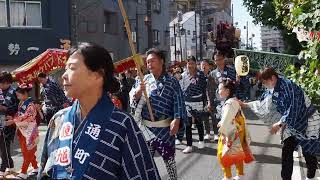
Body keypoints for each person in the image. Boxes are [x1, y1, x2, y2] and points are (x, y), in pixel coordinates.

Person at [38, 42, 160, 180]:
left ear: (98, 75)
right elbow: (45, 170)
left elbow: (139, 174)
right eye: (65, 69)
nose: (64, 76)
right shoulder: (58, 119)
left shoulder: (122, 124)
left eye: (72, 68)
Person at [239, 68, 320, 180]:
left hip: (307, 120)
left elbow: (293, 108)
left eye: (265, 82)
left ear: (272, 78)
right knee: (287, 151)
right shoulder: (272, 88)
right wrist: (245, 104)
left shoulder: (288, 86)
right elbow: (264, 104)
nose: (265, 86)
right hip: (289, 124)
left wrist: (280, 123)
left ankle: (311, 176)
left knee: (308, 151)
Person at [130, 48, 186, 180]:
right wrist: (138, 93)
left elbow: (178, 101)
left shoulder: (172, 81)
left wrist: (177, 119)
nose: (149, 64)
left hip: (165, 129)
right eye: (147, 62)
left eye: (152, 61)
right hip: (146, 128)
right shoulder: (142, 80)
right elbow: (133, 100)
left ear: (161, 61)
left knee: (169, 160)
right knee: (145, 162)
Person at [216, 80, 254, 180]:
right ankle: (240, 175)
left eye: (220, 89)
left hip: (230, 132)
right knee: (237, 152)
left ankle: (227, 176)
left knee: (222, 153)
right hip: (238, 131)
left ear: (227, 91)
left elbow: (226, 119)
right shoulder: (233, 100)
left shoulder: (229, 103)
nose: (218, 91)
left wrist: (222, 130)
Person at [6, 83, 39, 179]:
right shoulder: (21, 103)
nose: (17, 97)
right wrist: (12, 117)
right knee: (27, 151)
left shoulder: (30, 105)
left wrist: (13, 121)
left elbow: (27, 117)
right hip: (22, 130)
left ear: (25, 94)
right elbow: (19, 115)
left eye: (18, 95)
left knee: (27, 152)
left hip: (30, 132)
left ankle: (24, 172)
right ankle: (36, 167)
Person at [179, 56, 207, 154]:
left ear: (196, 64)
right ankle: (189, 145)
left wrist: (205, 101)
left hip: (198, 101)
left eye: (192, 63)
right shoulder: (183, 75)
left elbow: (204, 88)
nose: (190, 65)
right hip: (187, 102)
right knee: (188, 124)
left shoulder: (201, 74)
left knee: (199, 122)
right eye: (188, 63)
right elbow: (181, 89)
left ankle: (201, 140)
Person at [0, 72, 19, 178]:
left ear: (7, 82)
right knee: (2, 145)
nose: (0, 86)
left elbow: (18, 107)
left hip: (8, 120)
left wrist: (6, 109)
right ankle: (10, 166)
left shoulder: (15, 92)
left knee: (4, 144)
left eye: (2, 84)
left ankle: (2, 168)